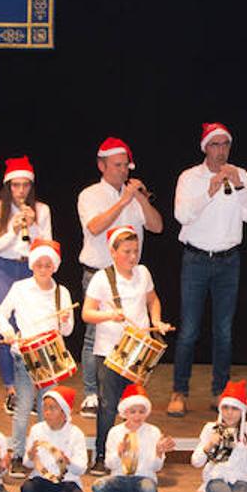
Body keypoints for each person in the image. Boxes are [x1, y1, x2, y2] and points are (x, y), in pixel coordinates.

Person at [171, 122, 247, 416]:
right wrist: (209, 191)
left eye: (225, 145)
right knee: (189, 330)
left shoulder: (241, 174)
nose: (221, 151)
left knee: (223, 331)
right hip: (196, 259)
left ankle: (220, 392)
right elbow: (181, 215)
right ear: (205, 148)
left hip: (228, 261)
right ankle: (179, 391)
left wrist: (239, 186)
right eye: (215, 145)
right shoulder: (190, 177)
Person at [76, 137, 163, 417]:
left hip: (130, 276)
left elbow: (157, 226)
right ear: (102, 165)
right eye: (117, 165)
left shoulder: (133, 197)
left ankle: (125, 388)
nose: (124, 170)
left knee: (131, 334)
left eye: (126, 165)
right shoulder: (90, 195)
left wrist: (138, 198)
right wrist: (123, 200)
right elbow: (95, 226)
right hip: (99, 275)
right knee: (95, 337)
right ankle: (91, 393)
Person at [82, 227, 172, 475]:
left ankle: (133, 455)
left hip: (138, 350)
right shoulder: (102, 278)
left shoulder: (143, 273)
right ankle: (102, 455)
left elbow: (152, 300)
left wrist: (157, 321)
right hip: (110, 350)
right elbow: (87, 313)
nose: (133, 257)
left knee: (134, 403)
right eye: (127, 252)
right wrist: (110, 314)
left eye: (136, 251)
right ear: (113, 252)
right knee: (109, 405)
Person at [0, 238, 76, 470]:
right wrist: (9, 333)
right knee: (23, 407)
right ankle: (18, 455)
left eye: (48, 265)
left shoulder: (62, 293)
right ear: (32, 264)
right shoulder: (20, 288)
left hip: (52, 358)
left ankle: (44, 453)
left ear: (54, 266)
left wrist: (65, 321)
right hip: (26, 356)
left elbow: (66, 331)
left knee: (48, 408)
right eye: (39, 264)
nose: (43, 268)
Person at [0, 155, 53, 412]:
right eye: (15, 185)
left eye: (25, 185)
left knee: (33, 327)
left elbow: (47, 247)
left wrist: (33, 226)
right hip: (3, 267)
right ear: (8, 186)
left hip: (31, 267)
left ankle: (34, 387)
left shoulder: (42, 210)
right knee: (8, 329)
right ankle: (11, 389)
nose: (21, 191)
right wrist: (13, 229)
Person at [91, 383, 175, 492]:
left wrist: (158, 452)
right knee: (99, 486)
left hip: (143, 478)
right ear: (125, 412)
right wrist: (119, 454)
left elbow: (156, 467)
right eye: (133, 411)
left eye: (141, 411)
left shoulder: (153, 432)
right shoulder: (115, 432)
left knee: (149, 489)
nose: (137, 416)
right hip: (120, 478)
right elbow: (109, 463)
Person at [14, 386, 88, 492]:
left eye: (52, 408)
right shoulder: (37, 429)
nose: (47, 412)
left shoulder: (76, 433)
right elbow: (27, 463)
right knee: (27, 488)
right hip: (42, 478)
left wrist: (68, 462)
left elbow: (81, 468)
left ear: (64, 412)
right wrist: (31, 457)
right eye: (45, 408)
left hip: (66, 481)